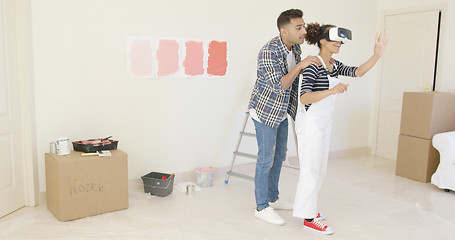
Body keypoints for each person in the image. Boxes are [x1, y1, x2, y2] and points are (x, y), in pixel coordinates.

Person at [292, 23, 388, 234]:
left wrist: (377, 55)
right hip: (311, 124)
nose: (339, 44)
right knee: (311, 170)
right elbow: (305, 97)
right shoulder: (313, 65)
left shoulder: (333, 64)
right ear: (322, 41)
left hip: (324, 123)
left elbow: (358, 72)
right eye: (335, 40)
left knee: (320, 169)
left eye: (340, 41)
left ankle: (308, 209)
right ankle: (309, 218)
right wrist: (332, 90)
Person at [248, 9, 322, 226]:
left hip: (282, 110)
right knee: (265, 159)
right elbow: (279, 86)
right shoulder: (269, 51)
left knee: (280, 156)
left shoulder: (295, 47)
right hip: (265, 110)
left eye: (303, 26)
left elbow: (296, 82)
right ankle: (261, 207)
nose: (303, 31)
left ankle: (273, 197)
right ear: (283, 30)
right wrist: (300, 66)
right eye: (298, 27)